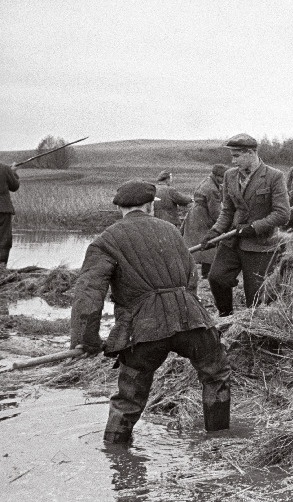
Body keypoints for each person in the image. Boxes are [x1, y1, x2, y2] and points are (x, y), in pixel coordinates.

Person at [70, 180, 231, 444]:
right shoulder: (171, 231)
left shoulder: (104, 241)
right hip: (192, 321)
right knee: (217, 374)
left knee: (129, 396)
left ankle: (116, 453)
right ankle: (219, 441)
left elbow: (88, 296)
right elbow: (192, 279)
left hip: (143, 331)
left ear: (120, 208)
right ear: (148, 207)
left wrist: (85, 340)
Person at [201, 134, 290, 316]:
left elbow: (282, 214)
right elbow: (227, 211)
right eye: (232, 156)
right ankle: (226, 317)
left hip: (260, 245)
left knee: (255, 298)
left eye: (236, 156)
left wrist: (255, 227)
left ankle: (253, 330)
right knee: (217, 278)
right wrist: (215, 231)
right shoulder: (229, 176)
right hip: (232, 241)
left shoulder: (274, 176)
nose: (233, 161)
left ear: (250, 153)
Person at [183, 164, 227, 279]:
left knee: (199, 244)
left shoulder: (208, 182)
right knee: (209, 242)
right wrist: (223, 224)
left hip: (196, 214)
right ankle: (207, 273)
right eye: (223, 178)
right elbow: (215, 211)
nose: (224, 181)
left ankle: (203, 272)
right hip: (203, 216)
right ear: (217, 176)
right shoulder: (212, 189)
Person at [0, 161, 19, 268]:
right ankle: (2, 268)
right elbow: (14, 186)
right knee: (4, 239)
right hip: (3, 209)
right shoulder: (4, 168)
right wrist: (13, 172)